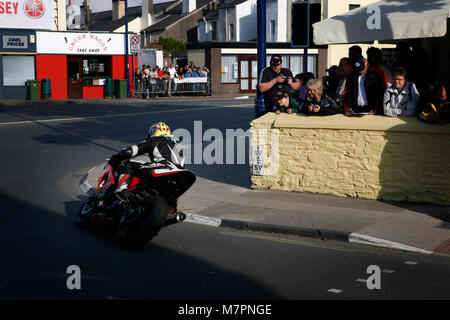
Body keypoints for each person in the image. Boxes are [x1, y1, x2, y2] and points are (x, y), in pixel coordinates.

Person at [108, 122, 185, 204]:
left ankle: (122, 190)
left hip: (164, 167)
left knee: (127, 163)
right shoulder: (178, 143)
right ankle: (171, 209)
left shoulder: (155, 139)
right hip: (180, 174)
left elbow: (129, 152)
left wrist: (116, 158)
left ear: (153, 132)